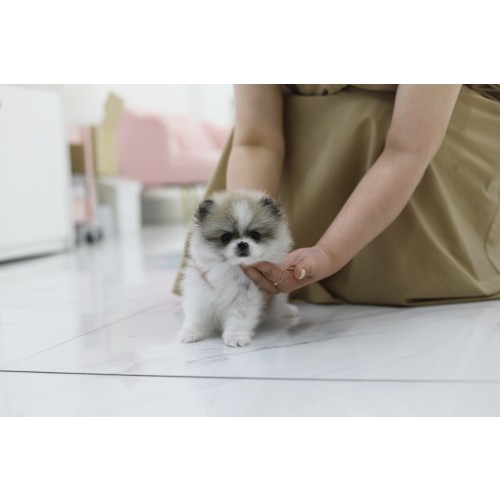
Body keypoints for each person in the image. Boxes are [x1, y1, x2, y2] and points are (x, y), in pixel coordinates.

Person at [174, 84, 500, 306]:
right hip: (298, 173)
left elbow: (408, 148)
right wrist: (247, 240)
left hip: (419, 161)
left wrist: (329, 253)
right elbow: (256, 142)